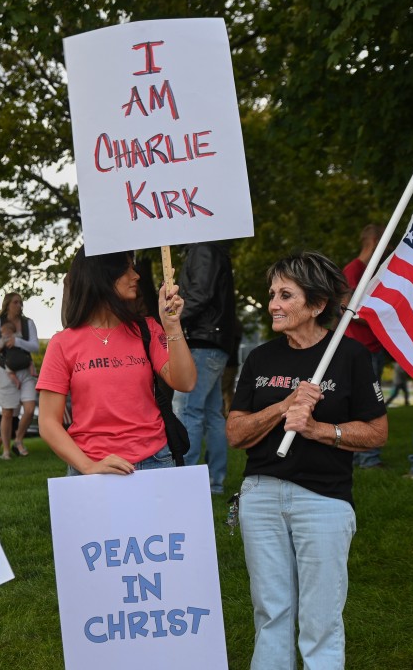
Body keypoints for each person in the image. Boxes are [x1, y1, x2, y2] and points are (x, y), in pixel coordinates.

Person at [226, 251, 387, 669]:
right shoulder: (261, 358)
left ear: (316, 305)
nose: (273, 304)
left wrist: (319, 430)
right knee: (271, 613)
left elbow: (377, 431)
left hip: (325, 500)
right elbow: (235, 433)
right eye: (272, 294)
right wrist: (284, 406)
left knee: (320, 619)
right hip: (260, 496)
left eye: (285, 295)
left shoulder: (349, 355)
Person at [36, 248, 196, 475]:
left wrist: (172, 326)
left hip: (155, 461)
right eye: (127, 268)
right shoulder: (62, 343)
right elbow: (48, 423)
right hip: (91, 468)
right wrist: (88, 466)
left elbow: (186, 382)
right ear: (103, 275)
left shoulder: (147, 329)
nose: (136, 275)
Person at [173, 241, 238, 495]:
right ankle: (214, 482)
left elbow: (200, 293)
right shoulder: (211, 249)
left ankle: (187, 483)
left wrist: (169, 319)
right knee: (211, 413)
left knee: (188, 409)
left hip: (203, 340)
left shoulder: (203, 249)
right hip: (214, 340)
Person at [343, 223, 389, 469]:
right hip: (361, 347)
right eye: (384, 244)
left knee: (363, 402)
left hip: (371, 346)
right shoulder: (354, 270)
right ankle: (368, 458)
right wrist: (382, 318)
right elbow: (347, 310)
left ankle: (361, 456)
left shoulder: (367, 271)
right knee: (369, 402)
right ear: (373, 242)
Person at [0, 292, 40, 459]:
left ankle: (19, 439)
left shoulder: (28, 323)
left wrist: (18, 341)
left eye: (21, 302)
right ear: (7, 304)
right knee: (7, 412)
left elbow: (35, 346)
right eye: (15, 302)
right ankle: (6, 451)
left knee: (29, 409)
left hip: (26, 369)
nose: (19, 305)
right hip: (3, 370)